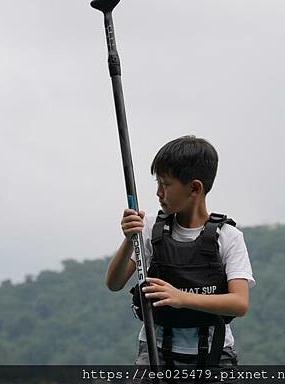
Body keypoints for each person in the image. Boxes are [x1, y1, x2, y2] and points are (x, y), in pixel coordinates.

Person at [105, 135, 255, 367]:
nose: (158, 192)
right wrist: (128, 239)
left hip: (214, 355)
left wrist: (182, 298)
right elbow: (114, 283)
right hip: (155, 353)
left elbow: (239, 302)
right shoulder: (150, 228)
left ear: (194, 188)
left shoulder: (229, 237)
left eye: (165, 184)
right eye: (157, 183)